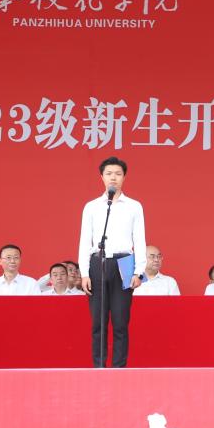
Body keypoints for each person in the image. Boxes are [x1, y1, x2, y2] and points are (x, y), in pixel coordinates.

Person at [79, 156, 146, 369]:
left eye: (118, 174)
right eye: (109, 174)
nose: (113, 178)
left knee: (120, 321)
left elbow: (139, 239)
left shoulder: (134, 206)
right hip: (97, 262)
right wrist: (84, 273)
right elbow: (85, 240)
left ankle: (119, 368)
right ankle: (99, 367)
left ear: (124, 177)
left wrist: (139, 271)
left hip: (124, 262)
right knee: (98, 322)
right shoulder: (92, 207)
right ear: (102, 177)